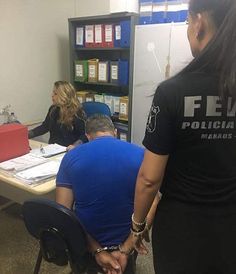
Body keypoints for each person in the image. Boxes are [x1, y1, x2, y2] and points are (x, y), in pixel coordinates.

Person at [124, 1, 236, 274]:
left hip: (181, 229)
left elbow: (149, 179)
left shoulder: (172, 92)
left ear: (198, 22)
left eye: (187, 23)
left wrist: (137, 227)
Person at [56, 114, 148, 274]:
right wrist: (126, 248)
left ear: (87, 136)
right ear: (115, 132)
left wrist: (97, 250)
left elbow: (63, 213)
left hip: (87, 242)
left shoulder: (70, 157)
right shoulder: (140, 154)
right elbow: (153, 201)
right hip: (127, 239)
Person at [28, 81, 87, 150]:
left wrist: (75, 146)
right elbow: (45, 127)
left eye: (55, 93)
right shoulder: (53, 109)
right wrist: (27, 134)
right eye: (53, 92)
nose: (52, 95)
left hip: (69, 150)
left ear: (64, 95)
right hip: (53, 149)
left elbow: (84, 135)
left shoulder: (77, 112)